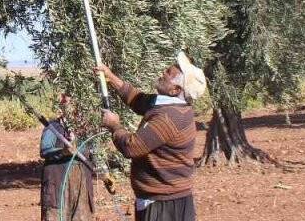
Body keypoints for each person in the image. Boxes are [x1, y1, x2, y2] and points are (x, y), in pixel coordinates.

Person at [93, 52, 207, 221]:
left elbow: (132, 147)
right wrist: (110, 77)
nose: (163, 72)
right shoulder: (169, 105)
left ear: (176, 89)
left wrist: (114, 125)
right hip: (166, 198)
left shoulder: (169, 117)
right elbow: (137, 99)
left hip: (164, 205)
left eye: (169, 72)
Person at [39, 92, 95, 221]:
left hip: (82, 183)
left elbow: (95, 152)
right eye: (67, 102)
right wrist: (64, 152)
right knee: (57, 215)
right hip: (58, 182)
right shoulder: (53, 127)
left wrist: (105, 174)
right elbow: (44, 150)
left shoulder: (86, 129)